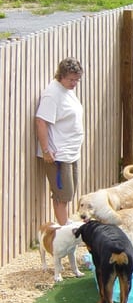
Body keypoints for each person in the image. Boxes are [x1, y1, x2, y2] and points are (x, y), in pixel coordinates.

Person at [35, 57, 84, 225]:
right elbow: (41, 121)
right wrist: (46, 150)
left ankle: (66, 224)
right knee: (61, 194)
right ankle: (64, 230)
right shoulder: (52, 94)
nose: (74, 83)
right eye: (71, 79)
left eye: (77, 79)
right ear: (61, 76)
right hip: (58, 155)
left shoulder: (67, 90)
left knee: (69, 193)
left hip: (71, 152)